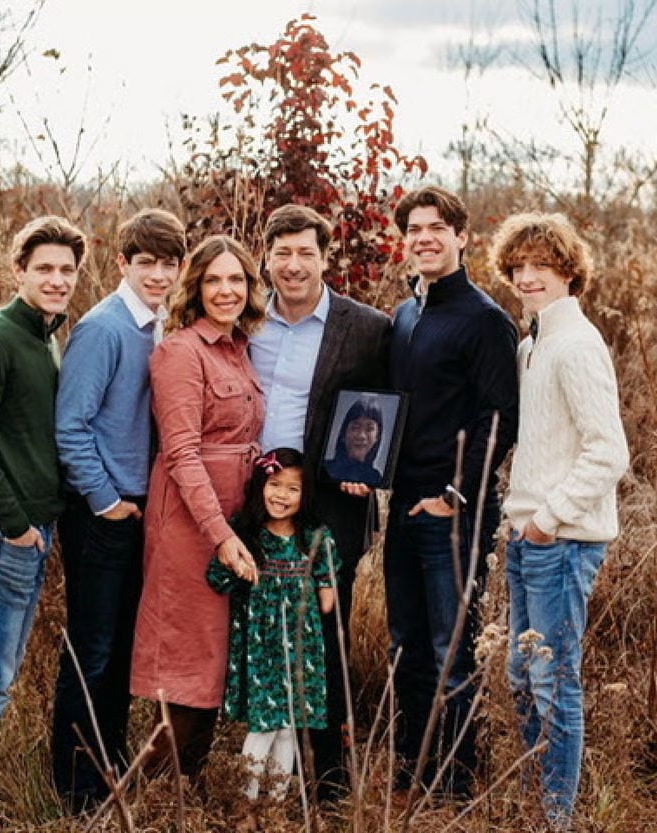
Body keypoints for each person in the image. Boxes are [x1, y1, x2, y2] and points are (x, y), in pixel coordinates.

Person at [0, 215, 86, 833]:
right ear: (18, 272)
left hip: (29, 534)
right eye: (45, 269)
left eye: (67, 270)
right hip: (0, 536)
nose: (57, 280)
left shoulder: (46, 338)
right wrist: (15, 525)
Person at [490, 212, 629, 831]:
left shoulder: (577, 344)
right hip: (528, 536)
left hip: (562, 540)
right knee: (522, 673)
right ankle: (534, 802)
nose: (526, 277)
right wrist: (521, 522)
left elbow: (609, 450)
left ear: (569, 272)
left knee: (553, 683)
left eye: (540, 266)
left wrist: (547, 519)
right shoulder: (532, 344)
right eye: (517, 267)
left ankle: (555, 820)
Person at [249, 204, 391, 800]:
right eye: (282, 252)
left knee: (324, 638)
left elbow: (381, 409)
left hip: (333, 503)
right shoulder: (247, 321)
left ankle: (328, 780)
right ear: (267, 257)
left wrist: (368, 467)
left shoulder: (367, 327)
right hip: (257, 502)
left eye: (305, 251)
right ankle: (261, 775)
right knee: (257, 634)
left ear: (325, 257)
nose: (293, 264)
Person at [385, 185, 519, 799]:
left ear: (463, 237)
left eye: (437, 227)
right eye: (414, 229)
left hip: (453, 513)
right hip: (402, 508)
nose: (425, 238)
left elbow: (500, 420)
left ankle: (455, 781)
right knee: (408, 645)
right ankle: (415, 768)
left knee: (450, 652)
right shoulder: (406, 315)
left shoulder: (486, 320)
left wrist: (454, 497)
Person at [52, 208, 186, 812]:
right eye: (147, 263)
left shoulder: (157, 324)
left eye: (168, 263)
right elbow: (70, 427)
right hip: (100, 512)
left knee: (120, 649)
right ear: (123, 265)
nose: (158, 274)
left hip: (138, 511)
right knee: (93, 647)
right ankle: (74, 789)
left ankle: (106, 768)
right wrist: (106, 502)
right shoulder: (104, 329)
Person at [130, 234, 267, 781]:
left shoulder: (239, 348)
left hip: (233, 519)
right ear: (196, 287)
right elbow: (182, 452)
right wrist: (220, 535)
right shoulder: (180, 351)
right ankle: (147, 794)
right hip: (191, 527)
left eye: (236, 279)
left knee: (211, 665)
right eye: (214, 280)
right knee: (187, 664)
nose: (226, 290)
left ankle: (181, 790)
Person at [206, 447, 340, 826]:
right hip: (262, 646)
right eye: (274, 485)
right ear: (260, 487)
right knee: (264, 726)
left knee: (288, 728)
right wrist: (237, 567)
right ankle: (247, 806)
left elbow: (327, 590)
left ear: (306, 494)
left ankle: (277, 805)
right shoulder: (247, 533)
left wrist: (324, 586)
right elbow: (216, 579)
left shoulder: (314, 536)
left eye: (292, 489)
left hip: (301, 645)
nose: (281, 495)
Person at [324, 395, 384, 487]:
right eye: (355, 428)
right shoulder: (325, 469)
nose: (361, 436)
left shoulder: (376, 478)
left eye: (369, 429)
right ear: (343, 433)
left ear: (377, 438)